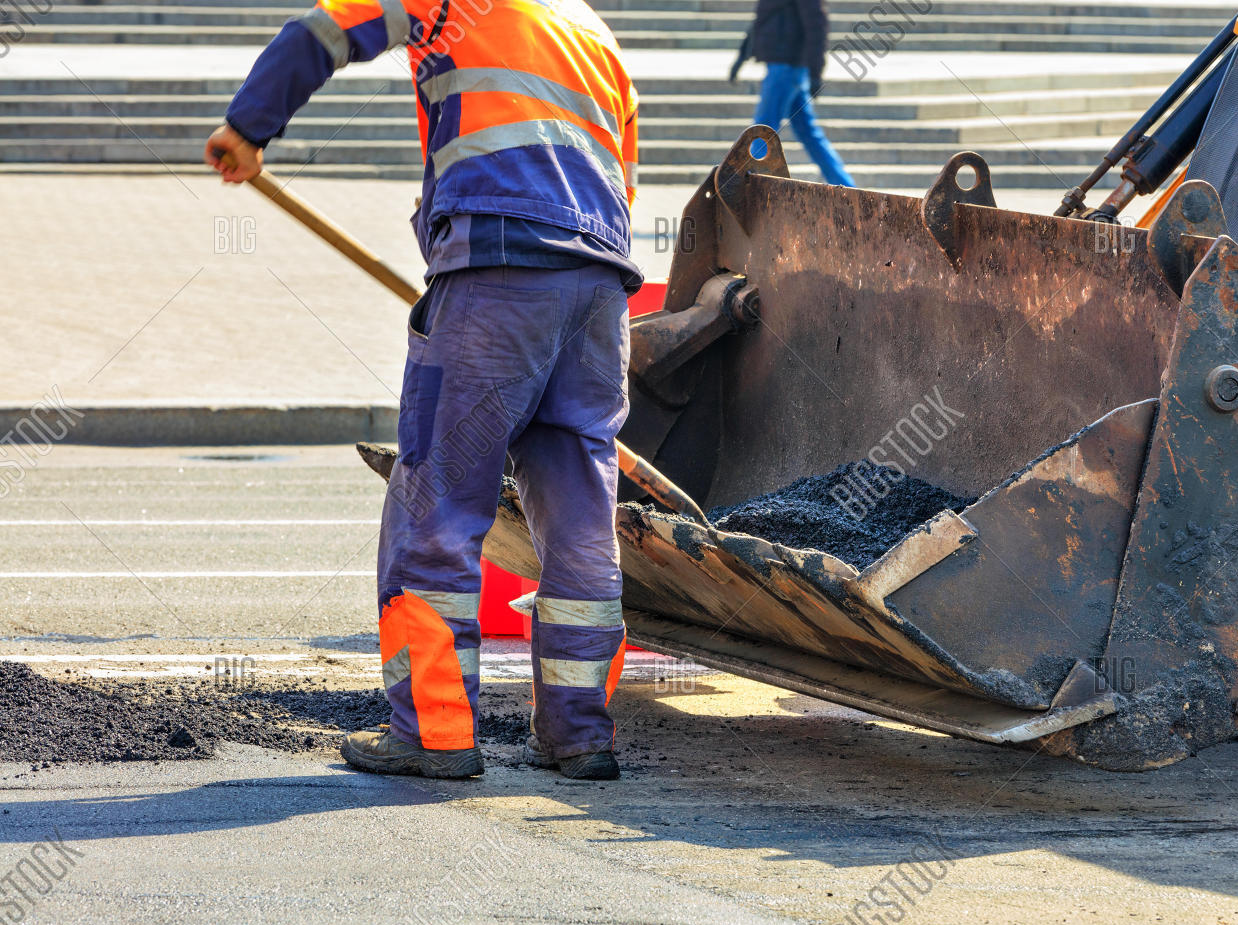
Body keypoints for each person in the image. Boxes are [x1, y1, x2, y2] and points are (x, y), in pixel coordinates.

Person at [205, 0, 642, 781]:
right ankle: (580, 736)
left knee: (437, 499)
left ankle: (432, 731)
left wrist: (248, 128)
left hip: (499, 270)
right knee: (580, 513)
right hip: (600, 286)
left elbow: (324, 33)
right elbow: (619, 178)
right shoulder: (590, 31)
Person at [739, 0, 854, 187]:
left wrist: (815, 73)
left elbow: (816, 24)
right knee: (809, 134)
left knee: (763, 128)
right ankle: (847, 186)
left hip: (787, 67)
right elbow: (768, 15)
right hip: (784, 65)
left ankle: (746, 185)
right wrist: (743, 51)